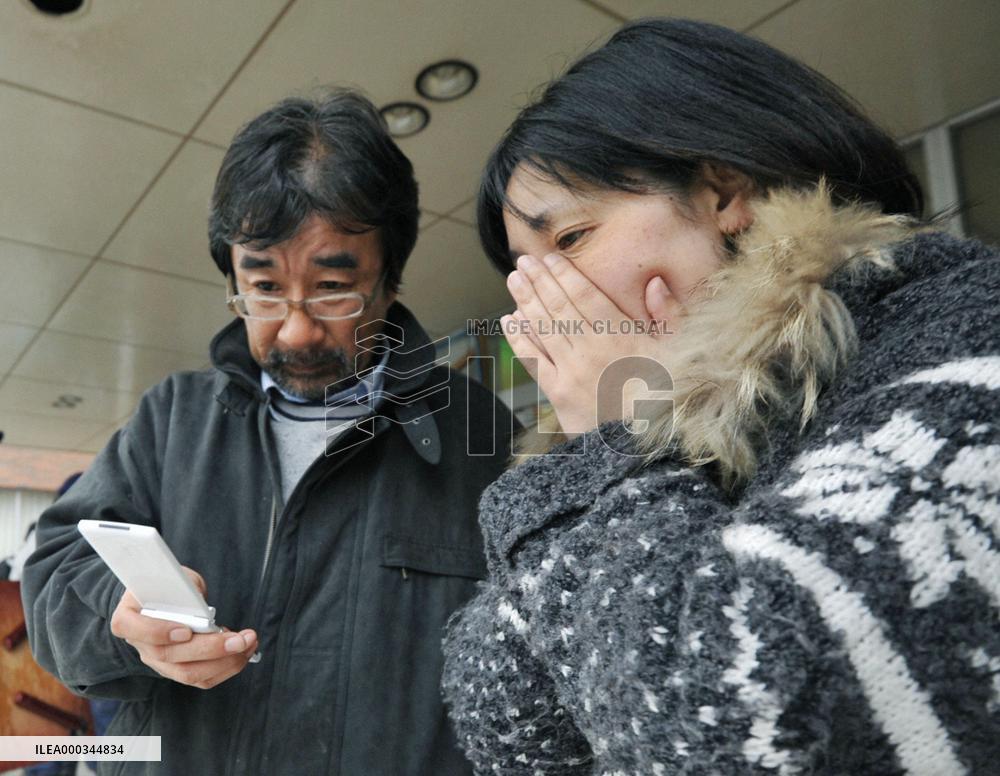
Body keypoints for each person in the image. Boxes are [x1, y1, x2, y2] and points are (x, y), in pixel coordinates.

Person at [441, 18, 1000, 775]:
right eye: (524, 272)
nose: (540, 303)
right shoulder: (649, 438)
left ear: (726, 193)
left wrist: (617, 445)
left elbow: (730, 728)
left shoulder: (962, 336)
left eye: (569, 240)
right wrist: (622, 440)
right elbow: (504, 723)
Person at [22, 89, 515, 775]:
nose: (296, 331)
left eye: (333, 290)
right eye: (263, 289)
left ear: (390, 279)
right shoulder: (171, 421)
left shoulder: (484, 437)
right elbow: (55, 577)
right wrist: (120, 619)